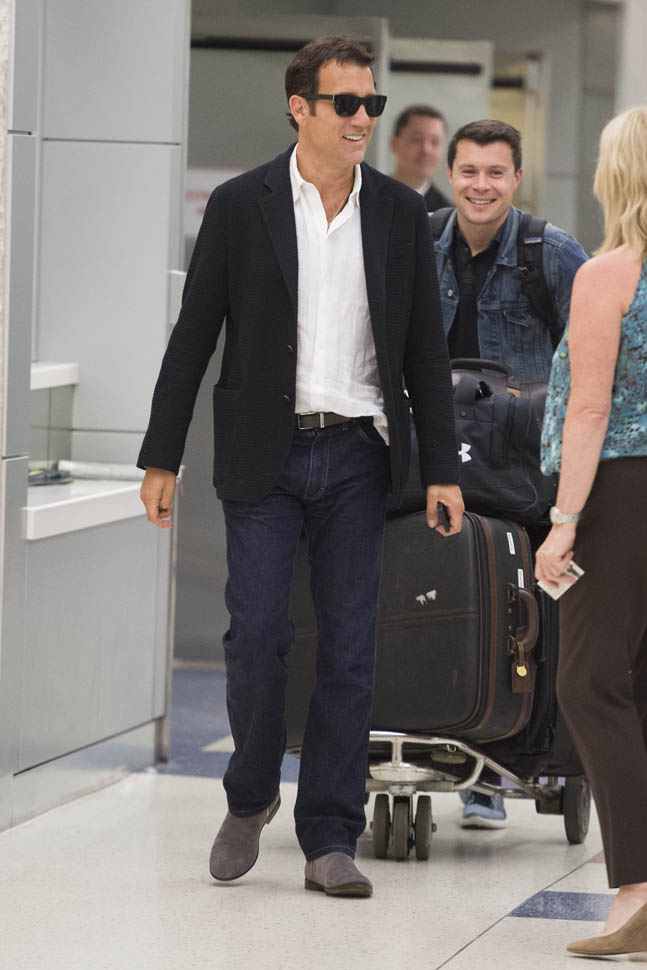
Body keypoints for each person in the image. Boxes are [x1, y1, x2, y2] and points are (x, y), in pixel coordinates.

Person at [137, 35, 463, 899]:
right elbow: (193, 336)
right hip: (265, 455)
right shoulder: (240, 205)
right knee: (258, 637)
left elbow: (424, 352)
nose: (362, 118)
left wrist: (440, 468)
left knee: (349, 649)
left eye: (371, 104)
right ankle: (249, 799)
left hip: (359, 455)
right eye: (345, 104)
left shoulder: (397, 212)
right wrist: (160, 455)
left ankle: (329, 836)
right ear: (300, 108)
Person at [433, 119, 588, 827]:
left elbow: (595, 358)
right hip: (435, 459)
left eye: (495, 172)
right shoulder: (419, 246)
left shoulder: (549, 254)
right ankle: (427, 728)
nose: (480, 186)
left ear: (516, 178)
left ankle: (494, 767)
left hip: (522, 468)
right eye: (468, 171)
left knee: (511, 606)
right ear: (450, 174)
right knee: (434, 593)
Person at [535, 104, 647, 959]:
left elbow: (588, 407)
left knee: (587, 681)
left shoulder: (610, 273)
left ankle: (637, 889)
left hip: (619, 491)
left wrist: (562, 520)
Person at [390, 104, 451, 211]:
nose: (426, 150)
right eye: (417, 139)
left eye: (435, 142)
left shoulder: (447, 216)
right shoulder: (366, 195)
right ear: (394, 143)